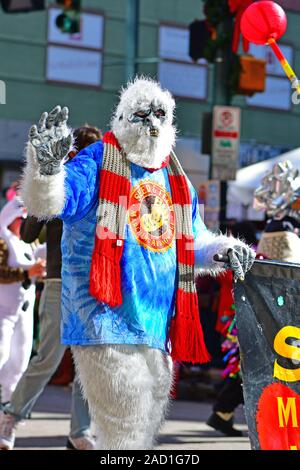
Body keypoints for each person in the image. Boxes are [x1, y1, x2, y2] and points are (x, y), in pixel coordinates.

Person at [18, 77, 255, 450]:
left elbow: (194, 241)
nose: (151, 122)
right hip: (104, 318)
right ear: (122, 118)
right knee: (125, 435)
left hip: (157, 326)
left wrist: (226, 250)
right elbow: (50, 204)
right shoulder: (97, 160)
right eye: (142, 114)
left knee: (137, 435)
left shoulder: (175, 178)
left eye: (160, 114)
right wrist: (46, 172)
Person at [0, 125, 102, 451]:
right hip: (60, 283)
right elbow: (29, 233)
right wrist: (39, 189)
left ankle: (80, 432)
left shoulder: (104, 189)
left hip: (94, 287)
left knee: (88, 365)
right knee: (47, 359)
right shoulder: (60, 183)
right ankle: (11, 418)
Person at [207, 221, 258, 437]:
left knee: (239, 369)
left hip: (231, 322)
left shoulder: (230, 259)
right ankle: (221, 412)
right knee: (240, 369)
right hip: (236, 324)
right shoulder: (243, 258)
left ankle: (222, 414)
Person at [0, 197, 46, 406]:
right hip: (3, 311)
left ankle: (9, 404)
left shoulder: (28, 243)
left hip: (24, 311)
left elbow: (36, 265)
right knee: (1, 354)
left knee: (20, 360)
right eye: (20, 219)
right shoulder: (2, 239)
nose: (23, 224)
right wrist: (28, 271)